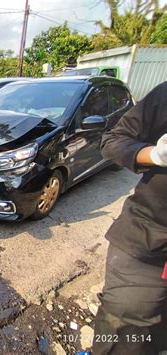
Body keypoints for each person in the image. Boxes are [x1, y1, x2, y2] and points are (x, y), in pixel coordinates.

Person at [93, 82, 167, 354]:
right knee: (122, 337)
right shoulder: (165, 95)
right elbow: (113, 141)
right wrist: (155, 155)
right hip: (147, 246)